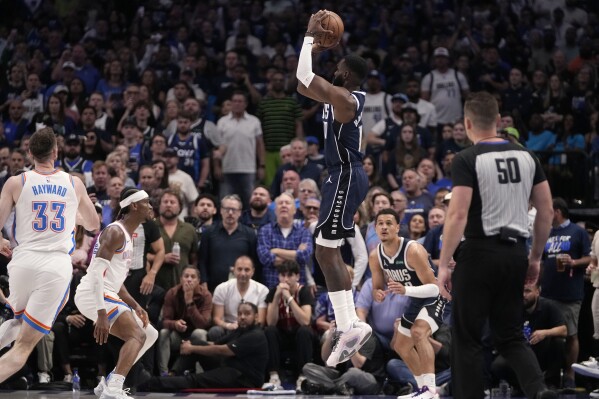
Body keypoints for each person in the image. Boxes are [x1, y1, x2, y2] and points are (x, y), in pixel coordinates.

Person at [437, 92, 556, 399]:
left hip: (478, 254)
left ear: (466, 123)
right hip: (515, 252)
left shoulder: (467, 158)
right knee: (511, 336)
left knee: (467, 338)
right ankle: (538, 389)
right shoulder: (528, 156)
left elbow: (458, 213)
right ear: (498, 120)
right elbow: (546, 210)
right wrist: (535, 258)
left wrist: (442, 263)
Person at [296, 10, 372, 367]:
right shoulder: (338, 96)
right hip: (340, 175)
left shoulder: (347, 98)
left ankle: (349, 324)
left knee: (327, 252)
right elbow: (302, 84)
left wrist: (312, 37)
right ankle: (348, 324)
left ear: (347, 75)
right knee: (326, 250)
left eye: (338, 65)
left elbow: (304, 76)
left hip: (343, 174)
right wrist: (313, 49)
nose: (334, 68)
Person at [0, 127, 98, 384]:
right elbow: (93, 224)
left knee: (18, 322)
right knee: (23, 346)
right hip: (54, 265)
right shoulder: (73, 182)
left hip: (22, 262)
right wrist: (75, 213)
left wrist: (0, 240)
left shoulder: (15, 182)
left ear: (29, 153)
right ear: (56, 151)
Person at [75, 188, 159, 399]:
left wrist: (136, 305)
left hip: (107, 291)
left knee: (150, 334)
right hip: (93, 292)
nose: (150, 207)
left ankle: (111, 382)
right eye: (147, 202)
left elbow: (117, 282)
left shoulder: (128, 236)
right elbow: (95, 273)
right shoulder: (115, 232)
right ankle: (114, 389)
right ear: (134, 205)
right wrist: (101, 312)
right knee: (136, 335)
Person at [369, 208, 447, 399]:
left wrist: (405, 290)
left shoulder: (413, 250)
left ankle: (430, 390)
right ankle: (423, 390)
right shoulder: (375, 256)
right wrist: (377, 294)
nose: (384, 227)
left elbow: (435, 288)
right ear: (375, 228)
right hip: (415, 300)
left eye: (389, 223)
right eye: (380, 223)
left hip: (435, 297)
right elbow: (376, 287)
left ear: (397, 227)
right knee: (401, 345)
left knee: (419, 332)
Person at [140, 302, 268, 392]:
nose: (242, 317)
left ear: (256, 317)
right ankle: (173, 374)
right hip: (229, 367)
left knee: (194, 380)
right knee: (197, 341)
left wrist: (192, 348)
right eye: (240, 314)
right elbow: (216, 344)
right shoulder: (240, 330)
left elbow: (224, 350)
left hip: (243, 378)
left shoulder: (256, 335)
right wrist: (191, 345)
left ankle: (148, 383)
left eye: (247, 314)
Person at [158, 265, 212, 376]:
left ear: (198, 281)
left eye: (193, 277)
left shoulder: (206, 295)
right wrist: (175, 324)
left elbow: (203, 324)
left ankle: (199, 375)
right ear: (181, 279)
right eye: (186, 276)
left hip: (195, 337)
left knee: (200, 333)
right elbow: (164, 321)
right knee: (164, 333)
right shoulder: (172, 293)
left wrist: (189, 302)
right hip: (178, 336)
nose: (189, 279)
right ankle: (163, 373)